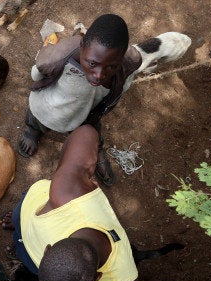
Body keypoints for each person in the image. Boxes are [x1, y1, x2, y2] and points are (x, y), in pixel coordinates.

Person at [6, 124, 149, 281]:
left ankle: (17, 235)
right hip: (27, 219)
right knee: (18, 226)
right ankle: (17, 231)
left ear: (47, 250)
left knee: (19, 238)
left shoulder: (67, 194)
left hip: (29, 219)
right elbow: (87, 132)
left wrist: (76, 174)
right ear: (97, 278)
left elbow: (85, 134)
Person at [17, 13, 143, 187]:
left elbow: (124, 84)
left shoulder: (126, 66)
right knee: (36, 117)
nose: (99, 75)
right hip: (48, 106)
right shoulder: (60, 57)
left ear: (120, 59)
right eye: (92, 63)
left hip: (87, 112)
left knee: (91, 132)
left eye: (111, 67)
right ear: (82, 46)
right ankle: (32, 131)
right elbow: (36, 73)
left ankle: (95, 150)